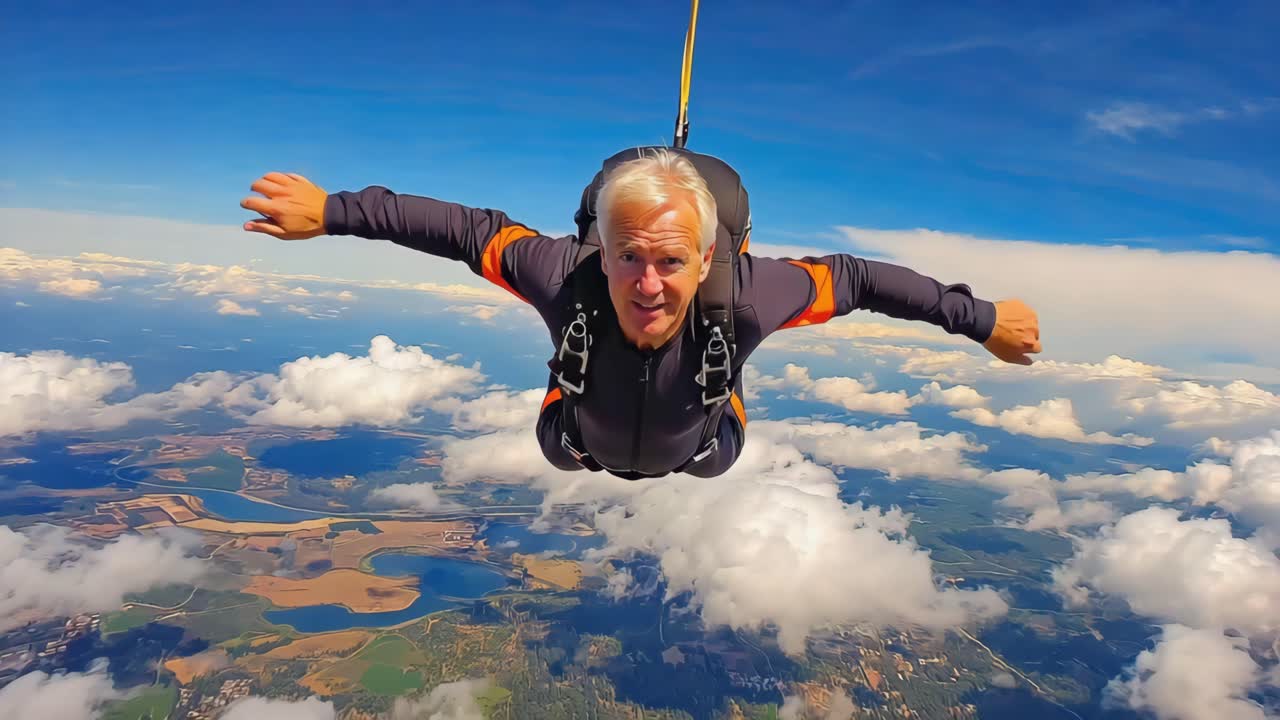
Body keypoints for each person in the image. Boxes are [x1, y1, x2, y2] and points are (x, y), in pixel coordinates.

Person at [240, 148, 1040, 480]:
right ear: (601, 249)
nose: (648, 283)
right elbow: (458, 229)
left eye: (670, 261)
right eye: (628, 256)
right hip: (577, 437)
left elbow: (863, 278)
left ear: (708, 259)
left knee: (713, 455)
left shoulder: (750, 296)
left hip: (704, 443)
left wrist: (981, 319)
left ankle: (710, 420)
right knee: (561, 449)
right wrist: (333, 210)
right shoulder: (564, 275)